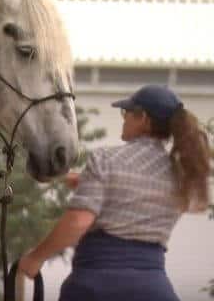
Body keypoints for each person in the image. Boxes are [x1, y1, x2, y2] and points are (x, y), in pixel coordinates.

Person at [18, 84, 211, 301]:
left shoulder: (106, 160)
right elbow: (145, 197)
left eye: (126, 112)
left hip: (98, 287)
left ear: (143, 119)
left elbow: (79, 221)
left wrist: (36, 258)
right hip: (155, 290)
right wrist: (90, 182)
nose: (124, 118)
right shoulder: (181, 175)